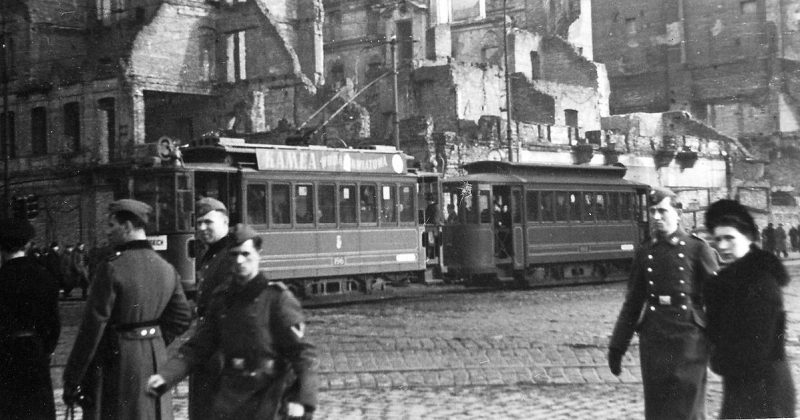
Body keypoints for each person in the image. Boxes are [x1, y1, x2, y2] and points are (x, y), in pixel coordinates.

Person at [148, 224, 319, 420]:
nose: (239, 260)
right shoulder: (222, 300)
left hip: (270, 398)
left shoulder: (277, 300)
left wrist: (301, 400)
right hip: (231, 398)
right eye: (234, 254)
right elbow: (198, 347)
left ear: (258, 253)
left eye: (246, 254)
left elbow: (304, 355)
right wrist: (166, 376)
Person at [62, 199, 192, 420]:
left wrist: (73, 377)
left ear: (128, 226)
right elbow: (181, 317)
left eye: (112, 225)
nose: (108, 232)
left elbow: (92, 328)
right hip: (156, 358)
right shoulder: (167, 268)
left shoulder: (112, 268)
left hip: (119, 361)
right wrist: (155, 340)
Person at [608, 187, 719, 419]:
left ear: (678, 213)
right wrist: (617, 346)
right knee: (658, 410)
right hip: (655, 339)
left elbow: (719, 299)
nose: (656, 217)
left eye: (662, 211)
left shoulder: (697, 249)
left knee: (688, 410)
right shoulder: (645, 252)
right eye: (652, 211)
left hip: (689, 340)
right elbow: (633, 303)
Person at [703, 200, 796, 418]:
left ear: (749, 238)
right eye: (717, 239)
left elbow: (757, 345)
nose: (722, 246)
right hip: (741, 383)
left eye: (729, 238)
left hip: (765, 387)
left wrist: (720, 360)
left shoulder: (760, 281)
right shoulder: (728, 281)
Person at [0, 218, 61, 419]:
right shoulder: (44, 276)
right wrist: (47, 348)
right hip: (35, 351)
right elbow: (53, 322)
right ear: (27, 245)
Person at [191, 197, 233, 420]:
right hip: (208, 349)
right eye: (198, 223)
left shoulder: (231, 257)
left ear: (225, 222)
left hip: (222, 353)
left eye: (208, 222)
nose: (202, 228)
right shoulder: (211, 255)